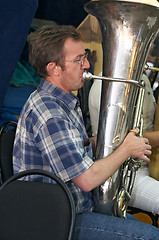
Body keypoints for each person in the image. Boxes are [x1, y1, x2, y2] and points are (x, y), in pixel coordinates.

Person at [13, 25, 159, 239]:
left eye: (86, 57)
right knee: (149, 236)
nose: (87, 65)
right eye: (79, 59)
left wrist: (104, 141)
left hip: (75, 208)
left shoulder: (61, 101)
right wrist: (126, 150)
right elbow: (87, 180)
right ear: (54, 68)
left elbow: (73, 150)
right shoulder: (50, 113)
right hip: (58, 219)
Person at [88, 72, 159, 214]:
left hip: (146, 164)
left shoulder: (142, 78)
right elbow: (118, 139)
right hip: (121, 175)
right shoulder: (106, 84)